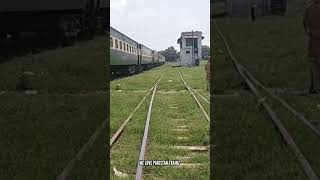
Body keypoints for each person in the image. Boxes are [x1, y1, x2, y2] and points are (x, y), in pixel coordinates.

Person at [303, 0, 320, 94]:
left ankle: (315, 88)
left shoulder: (309, 9)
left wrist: (310, 33)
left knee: (315, 65)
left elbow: (305, 24)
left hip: (313, 40)